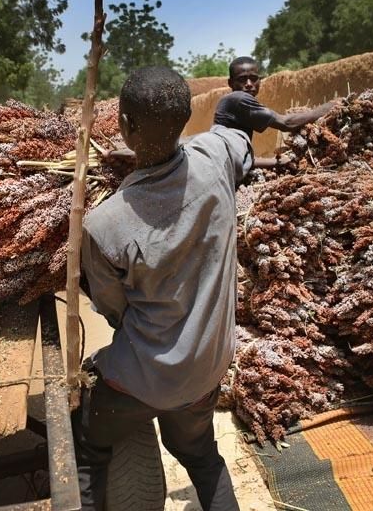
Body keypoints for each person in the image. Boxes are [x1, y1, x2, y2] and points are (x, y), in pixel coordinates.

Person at [75, 66, 251, 511]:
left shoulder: (104, 224)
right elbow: (238, 140)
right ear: (184, 123)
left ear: (125, 127)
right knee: (203, 459)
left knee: (90, 447)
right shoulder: (215, 162)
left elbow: (111, 308)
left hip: (141, 383)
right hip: (207, 371)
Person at [214, 56, 338, 167]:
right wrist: (329, 107)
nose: (249, 84)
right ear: (231, 83)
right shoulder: (239, 99)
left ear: (260, 80)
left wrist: (276, 162)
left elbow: (242, 160)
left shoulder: (230, 103)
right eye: (242, 79)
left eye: (253, 78)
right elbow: (286, 123)